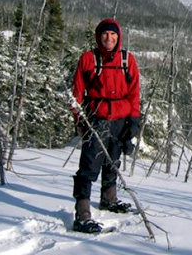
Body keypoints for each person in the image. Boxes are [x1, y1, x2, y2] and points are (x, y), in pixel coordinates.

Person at [70, 18, 142, 233]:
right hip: (97, 119)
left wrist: (134, 123)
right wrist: (80, 120)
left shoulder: (127, 60)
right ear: (98, 36)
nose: (109, 38)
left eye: (113, 35)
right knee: (89, 165)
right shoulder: (89, 59)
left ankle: (109, 199)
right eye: (105, 34)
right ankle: (82, 214)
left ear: (118, 37)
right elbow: (77, 92)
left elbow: (134, 93)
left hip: (120, 120)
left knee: (113, 160)